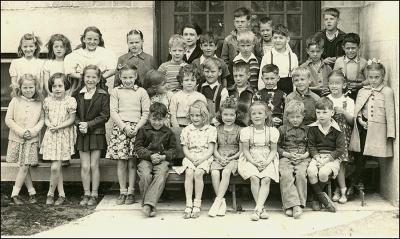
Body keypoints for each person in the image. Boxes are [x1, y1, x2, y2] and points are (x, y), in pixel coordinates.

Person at [349, 60, 395, 195]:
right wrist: (360, 121)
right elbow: (357, 110)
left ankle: (353, 183)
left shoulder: (387, 92)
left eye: (377, 77)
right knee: (358, 154)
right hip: (362, 127)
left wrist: (390, 134)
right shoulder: (363, 90)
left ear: (383, 76)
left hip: (377, 131)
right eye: (370, 77)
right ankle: (357, 181)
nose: (373, 80)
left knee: (365, 154)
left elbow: (390, 114)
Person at [106, 65, 150, 205]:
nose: (128, 80)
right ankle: (122, 191)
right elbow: (113, 112)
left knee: (132, 162)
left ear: (136, 76)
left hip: (137, 129)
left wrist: (137, 127)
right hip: (121, 129)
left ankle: (131, 191)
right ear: (120, 77)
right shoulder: (116, 91)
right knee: (121, 162)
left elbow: (146, 113)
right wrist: (124, 127)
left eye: (131, 77)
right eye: (124, 77)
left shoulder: (142, 92)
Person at [173, 100, 217, 219]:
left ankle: (197, 204)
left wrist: (202, 159)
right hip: (190, 156)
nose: (195, 118)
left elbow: (211, 149)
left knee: (198, 173)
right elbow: (185, 148)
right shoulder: (187, 129)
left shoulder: (210, 130)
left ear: (205, 115)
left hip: (205, 157)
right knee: (189, 172)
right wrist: (191, 158)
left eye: (198, 115)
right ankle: (188, 204)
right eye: (192, 115)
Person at [74, 65, 110, 206]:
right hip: (82, 134)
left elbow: (104, 116)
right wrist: (79, 124)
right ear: (83, 77)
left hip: (96, 133)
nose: (90, 79)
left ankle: (94, 194)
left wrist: (88, 125)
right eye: (87, 76)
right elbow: (74, 114)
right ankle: (86, 193)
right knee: (85, 166)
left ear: (99, 78)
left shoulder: (103, 94)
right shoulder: (77, 94)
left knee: (94, 165)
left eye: (94, 77)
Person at [5, 74, 44, 205]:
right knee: (24, 166)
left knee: (25, 165)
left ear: (36, 87)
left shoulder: (39, 102)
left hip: (31, 139)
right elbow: (8, 119)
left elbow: (41, 120)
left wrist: (32, 131)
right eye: (25, 87)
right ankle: (25, 193)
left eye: (31, 87)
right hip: (17, 138)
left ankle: (17, 193)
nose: (28, 90)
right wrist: (21, 132)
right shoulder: (15, 101)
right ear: (20, 88)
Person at [238, 101, 279, 221]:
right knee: (254, 178)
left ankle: (257, 209)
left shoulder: (272, 131)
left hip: (267, 158)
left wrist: (266, 162)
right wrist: (254, 162)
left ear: (266, 115)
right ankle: (261, 208)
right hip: (250, 158)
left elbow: (273, 150)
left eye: (260, 113)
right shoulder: (246, 131)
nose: (257, 116)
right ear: (250, 116)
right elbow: (245, 150)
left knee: (266, 179)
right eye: (254, 114)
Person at [135, 102, 177, 217]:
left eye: (160, 120)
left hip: (162, 160)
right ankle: (151, 205)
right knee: (145, 175)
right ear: (149, 117)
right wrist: (149, 155)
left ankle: (147, 205)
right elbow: (138, 148)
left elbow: (173, 150)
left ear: (165, 119)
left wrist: (164, 156)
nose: (157, 123)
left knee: (161, 174)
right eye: (154, 119)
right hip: (146, 159)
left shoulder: (168, 132)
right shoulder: (143, 130)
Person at [40, 73, 76, 206]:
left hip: (63, 136)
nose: (57, 89)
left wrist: (59, 126)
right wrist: (50, 125)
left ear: (65, 86)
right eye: (54, 86)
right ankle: (62, 195)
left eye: (60, 86)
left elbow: (71, 120)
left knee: (55, 167)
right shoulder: (48, 101)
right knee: (57, 167)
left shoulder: (70, 101)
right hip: (51, 135)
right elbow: (46, 118)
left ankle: (50, 194)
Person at [307, 97, 346, 213]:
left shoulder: (337, 130)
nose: (321, 115)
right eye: (318, 112)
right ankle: (323, 199)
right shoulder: (313, 128)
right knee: (311, 171)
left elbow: (340, 149)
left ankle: (316, 197)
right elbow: (311, 146)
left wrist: (327, 159)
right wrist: (316, 157)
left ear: (332, 113)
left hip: (332, 158)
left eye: (325, 112)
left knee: (323, 173)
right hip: (317, 156)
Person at [209, 97, 242, 217]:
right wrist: (219, 157)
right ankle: (221, 202)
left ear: (236, 115)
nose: (228, 117)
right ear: (221, 115)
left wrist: (231, 158)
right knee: (215, 173)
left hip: (234, 158)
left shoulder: (240, 130)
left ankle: (217, 201)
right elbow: (214, 148)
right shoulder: (216, 129)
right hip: (219, 156)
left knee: (226, 172)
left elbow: (241, 151)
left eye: (231, 115)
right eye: (225, 114)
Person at [277, 100, 310, 219]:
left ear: (303, 116)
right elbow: (277, 146)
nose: (295, 120)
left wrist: (305, 155)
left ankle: (299, 205)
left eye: (298, 117)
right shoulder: (282, 129)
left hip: (303, 157)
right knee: (286, 174)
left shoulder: (307, 129)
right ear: (287, 117)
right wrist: (286, 154)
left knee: (301, 174)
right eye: (292, 117)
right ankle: (290, 205)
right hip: (286, 156)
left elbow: (311, 146)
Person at [326, 70, 355, 204]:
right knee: (332, 161)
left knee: (343, 162)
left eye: (337, 83)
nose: (334, 86)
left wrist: (343, 112)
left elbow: (352, 122)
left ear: (344, 85)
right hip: (329, 134)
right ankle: (339, 188)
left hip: (344, 135)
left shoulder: (348, 101)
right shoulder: (326, 100)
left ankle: (340, 189)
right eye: (331, 83)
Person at [64, 26, 117, 94]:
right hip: (79, 85)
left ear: (99, 40)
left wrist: (99, 78)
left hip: (99, 85)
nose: (92, 42)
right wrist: (84, 78)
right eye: (89, 39)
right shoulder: (76, 54)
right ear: (84, 39)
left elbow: (113, 69)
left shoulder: (105, 53)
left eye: (95, 39)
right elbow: (69, 72)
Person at [221, 7, 262, 87]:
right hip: (235, 78)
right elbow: (224, 60)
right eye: (237, 22)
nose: (239, 24)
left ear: (248, 22)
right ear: (234, 22)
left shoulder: (254, 38)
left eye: (242, 21)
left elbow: (259, 56)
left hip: (252, 76)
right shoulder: (228, 40)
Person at [258, 24, 298, 94]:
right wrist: (262, 94)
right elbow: (261, 79)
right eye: (275, 37)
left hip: (288, 93)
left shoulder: (292, 57)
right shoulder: (267, 56)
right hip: (270, 94)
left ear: (287, 39)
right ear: (272, 39)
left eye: (281, 38)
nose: (278, 40)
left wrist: (295, 95)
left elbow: (295, 78)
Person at [170, 64, 207, 128]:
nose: (189, 83)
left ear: (196, 82)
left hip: (196, 126)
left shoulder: (200, 97)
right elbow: (172, 115)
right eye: (186, 80)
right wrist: (177, 128)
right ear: (181, 82)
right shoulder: (175, 96)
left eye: (192, 80)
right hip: (179, 125)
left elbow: (205, 115)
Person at [333, 33, 368, 100]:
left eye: (353, 48)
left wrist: (360, 85)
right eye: (348, 48)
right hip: (343, 93)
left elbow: (369, 79)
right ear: (343, 48)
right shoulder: (339, 61)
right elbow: (334, 78)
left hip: (360, 93)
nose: (350, 51)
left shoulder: (363, 62)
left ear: (359, 47)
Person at [9, 33, 44, 97]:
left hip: (35, 96)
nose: (28, 49)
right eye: (25, 46)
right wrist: (17, 93)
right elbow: (13, 81)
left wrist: (38, 95)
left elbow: (41, 83)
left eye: (31, 46)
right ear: (21, 47)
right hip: (20, 95)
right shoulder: (15, 63)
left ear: (35, 46)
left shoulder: (41, 63)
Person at [197, 58, 229, 125]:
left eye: (213, 72)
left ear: (219, 72)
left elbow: (224, 110)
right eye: (207, 71)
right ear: (203, 71)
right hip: (199, 123)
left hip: (215, 124)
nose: (209, 74)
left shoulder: (223, 90)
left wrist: (214, 122)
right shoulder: (199, 87)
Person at [227, 61, 255, 127]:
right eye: (235, 76)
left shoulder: (253, 92)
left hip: (246, 127)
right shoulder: (229, 91)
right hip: (231, 127)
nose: (238, 79)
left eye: (241, 76)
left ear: (248, 75)